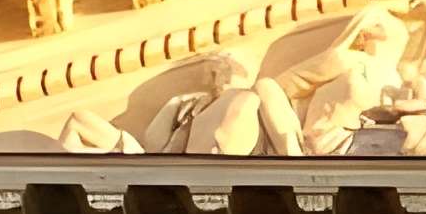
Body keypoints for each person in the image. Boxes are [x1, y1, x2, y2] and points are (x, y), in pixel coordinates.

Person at [276, 0, 426, 155]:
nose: (393, 25)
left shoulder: (398, 77)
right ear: (363, 35)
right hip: (335, 145)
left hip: (370, 144)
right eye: (380, 23)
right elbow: (278, 89)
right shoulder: (347, 60)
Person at [56, 49, 304, 156]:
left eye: (235, 69)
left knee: (257, 93)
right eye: (221, 70)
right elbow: (154, 143)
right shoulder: (184, 106)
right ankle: (61, 175)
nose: (226, 75)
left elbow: (286, 135)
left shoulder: (256, 95)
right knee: (79, 118)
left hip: (239, 157)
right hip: (170, 167)